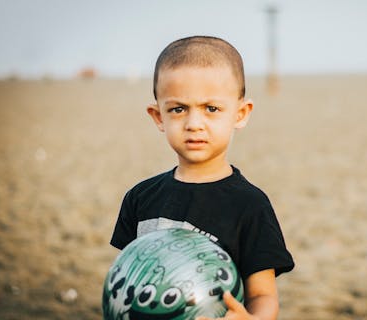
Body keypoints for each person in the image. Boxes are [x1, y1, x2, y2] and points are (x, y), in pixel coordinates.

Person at [110, 36, 294, 320]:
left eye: (211, 109)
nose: (194, 124)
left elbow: (263, 295)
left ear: (240, 114)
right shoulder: (140, 197)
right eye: (178, 109)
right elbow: (125, 280)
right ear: (158, 116)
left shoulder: (249, 205)